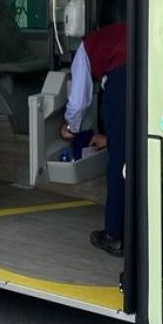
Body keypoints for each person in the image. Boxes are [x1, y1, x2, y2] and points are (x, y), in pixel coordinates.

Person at [59, 21, 127, 257]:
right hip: (152, 74)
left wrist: (70, 127)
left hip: (122, 80)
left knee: (119, 165)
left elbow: (78, 101)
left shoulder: (86, 48)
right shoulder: (129, 29)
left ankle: (113, 236)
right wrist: (110, 138)